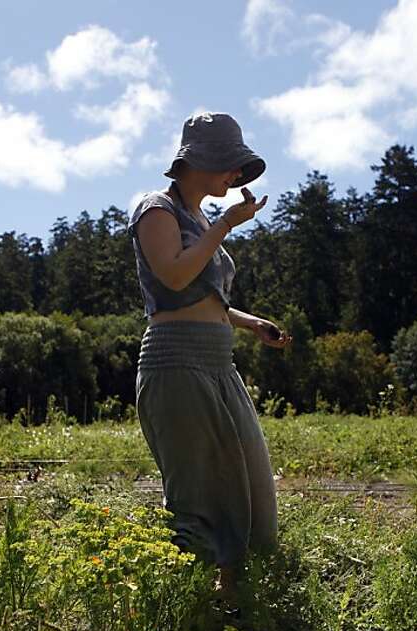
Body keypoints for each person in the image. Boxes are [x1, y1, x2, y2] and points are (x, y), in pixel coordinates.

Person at [131, 111, 290, 594]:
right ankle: (189, 604)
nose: (235, 178)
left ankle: (232, 595)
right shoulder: (156, 209)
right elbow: (174, 276)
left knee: (249, 481)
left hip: (218, 362)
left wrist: (249, 322)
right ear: (206, 159)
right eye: (231, 166)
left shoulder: (198, 217)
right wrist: (223, 226)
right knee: (196, 490)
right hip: (175, 361)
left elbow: (202, 295)